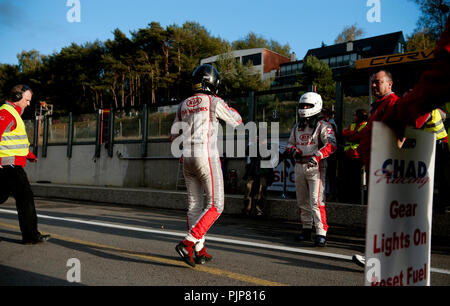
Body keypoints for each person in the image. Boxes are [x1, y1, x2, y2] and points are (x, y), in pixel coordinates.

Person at [171, 64, 242, 267]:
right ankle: (189, 243)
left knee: (194, 205)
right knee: (216, 204)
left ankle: (200, 250)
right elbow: (237, 120)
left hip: (186, 155)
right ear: (211, 81)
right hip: (205, 154)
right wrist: (228, 108)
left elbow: (173, 135)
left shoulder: (183, 104)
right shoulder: (213, 100)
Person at [0, 84, 51, 244]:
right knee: (25, 198)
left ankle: (30, 235)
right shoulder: (6, 113)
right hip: (8, 165)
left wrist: (28, 154)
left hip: (12, 163)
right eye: (27, 100)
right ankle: (30, 236)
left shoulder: (14, 114)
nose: (29, 104)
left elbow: (13, 140)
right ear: (17, 98)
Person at [286, 92, 337, 247]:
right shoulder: (297, 126)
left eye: (307, 106)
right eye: (302, 106)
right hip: (299, 165)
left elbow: (332, 145)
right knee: (302, 200)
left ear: (316, 106)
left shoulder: (324, 126)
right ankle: (306, 229)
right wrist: (293, 150)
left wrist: (318, 156)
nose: (304, 108)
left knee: (316, 201)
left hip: (316, 166)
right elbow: (289, 144)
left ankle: (321, 233)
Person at [242, 138, 274, 217]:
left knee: (261, 191)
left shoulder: (268, 147)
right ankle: (247, 209)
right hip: (253, 171)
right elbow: (248, 152)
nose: (258, 139)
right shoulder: (252, 147)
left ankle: (259, 211)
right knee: (248, 189)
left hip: (263, 172)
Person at [341, 109, 368, 204]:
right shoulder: (352, 125)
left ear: (360, 117)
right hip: (348, 155)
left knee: (356, 180)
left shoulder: (365, 125)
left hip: (358, 156)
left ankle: (356, 199)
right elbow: (344, 133)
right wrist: (353, 135)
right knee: (347, 178)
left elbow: (358, 136)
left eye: (355, 115)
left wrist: (351, 135)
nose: (354, 117)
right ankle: (348, 197)